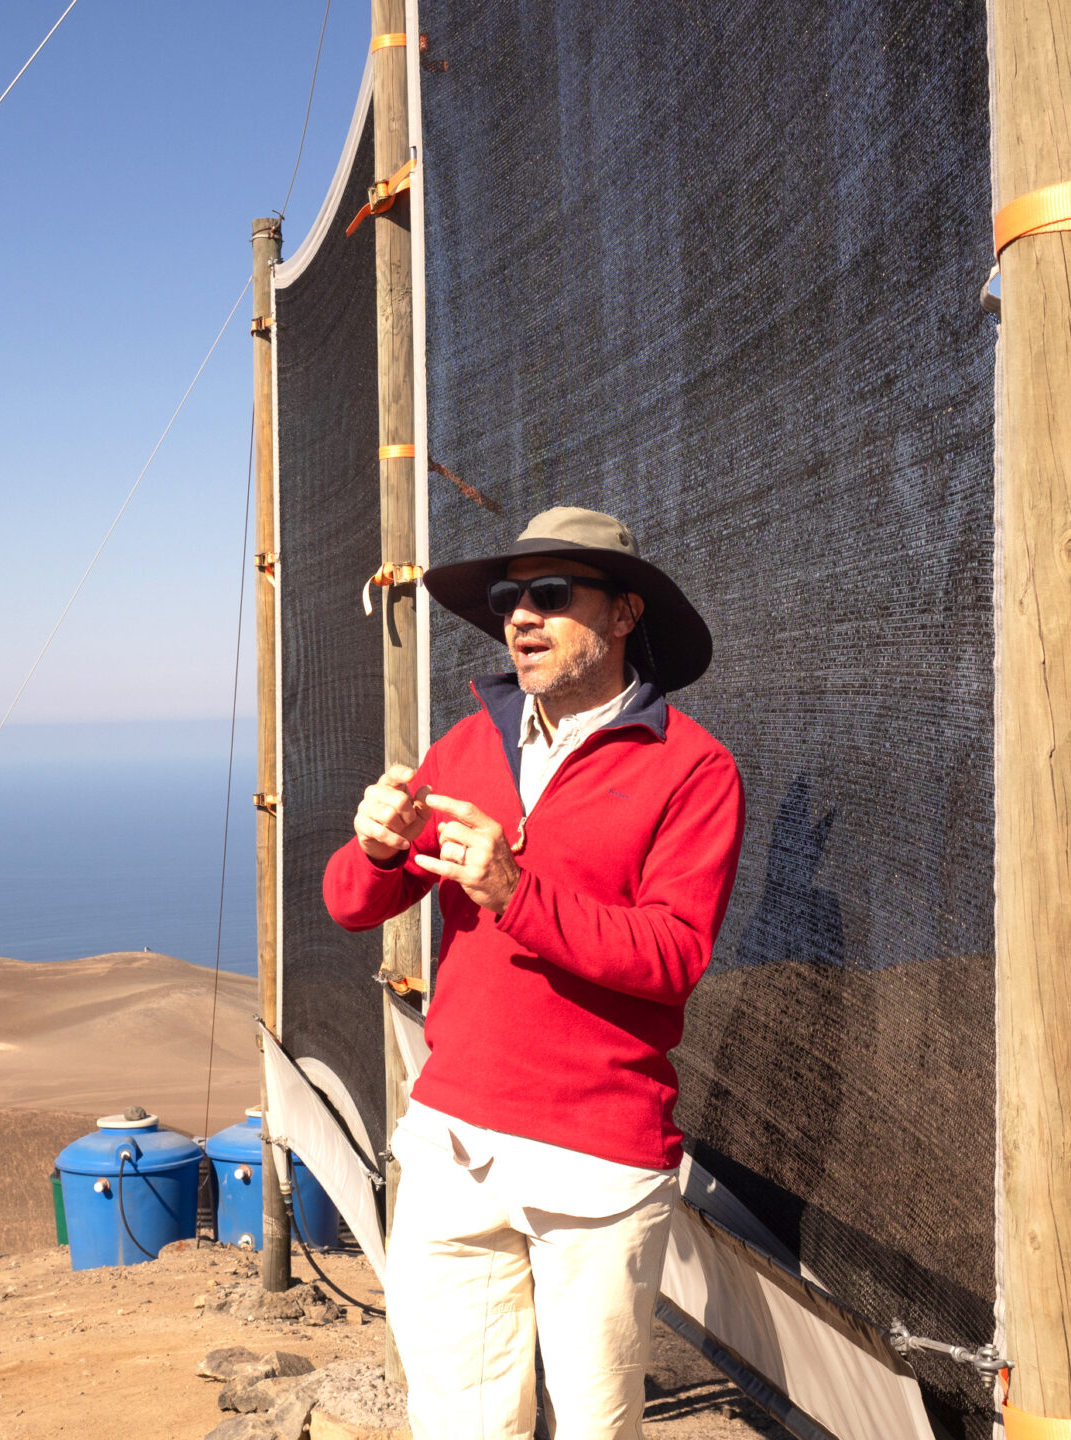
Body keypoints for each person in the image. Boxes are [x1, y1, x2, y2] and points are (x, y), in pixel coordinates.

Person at [323, 505, 745, 1440]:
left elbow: (673, 955)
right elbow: (352, 904)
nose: (519, 616)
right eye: (511, 598)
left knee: (597, 1427)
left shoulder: (692, 768)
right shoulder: (469, 743)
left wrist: (516, 891)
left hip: (595, 1167)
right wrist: (378, 849)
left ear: (626, 614)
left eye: (550, 595)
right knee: (462, 1426)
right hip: (451, 1145)